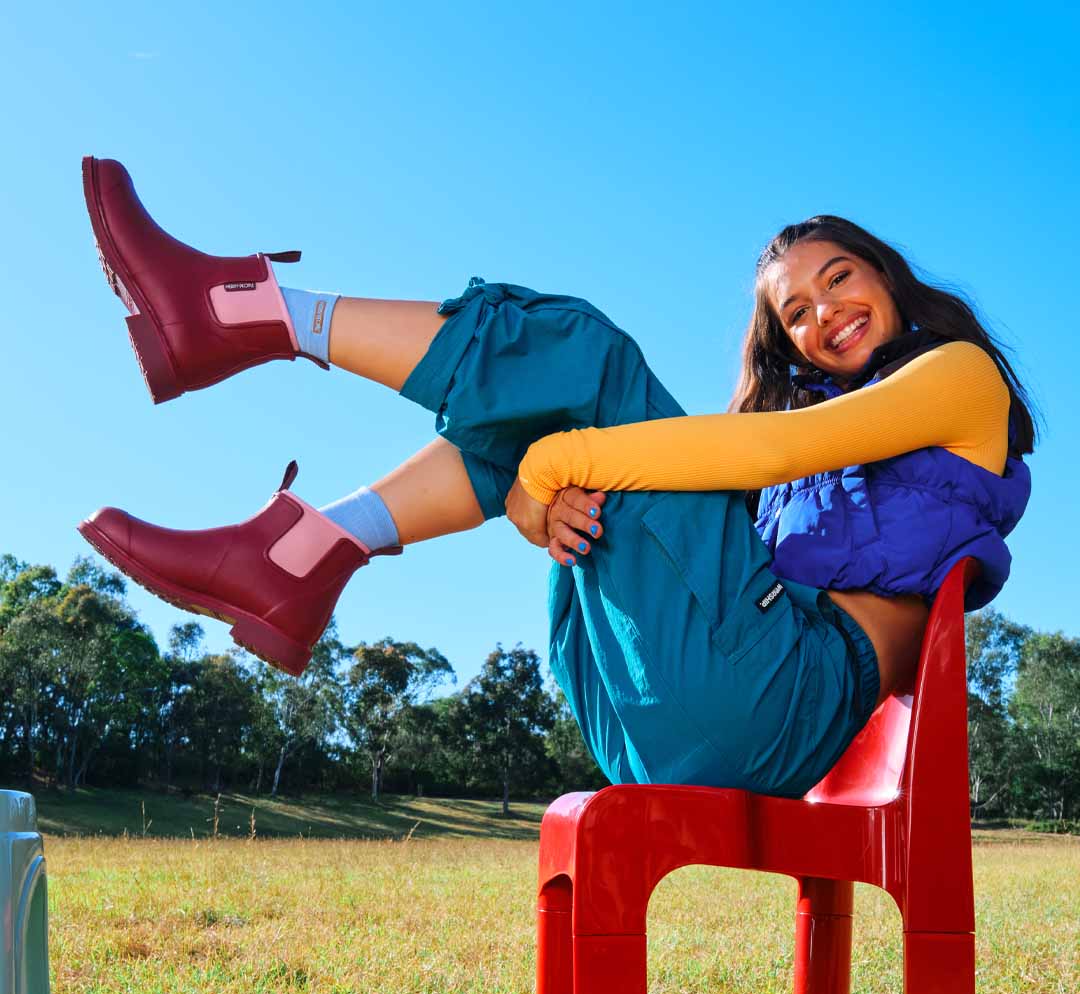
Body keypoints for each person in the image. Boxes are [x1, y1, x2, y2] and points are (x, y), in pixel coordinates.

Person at [77, 157, 1035, 799]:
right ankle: (311, 548)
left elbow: (769, 454)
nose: (822, 314)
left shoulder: (954, 376)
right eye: (793, 314)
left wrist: (556, 466)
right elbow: (736, 464)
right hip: (657, 710)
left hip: (777, 703)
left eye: (837, 279)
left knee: (581, 361)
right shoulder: (802, 442)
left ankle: (249, 321)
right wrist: (542, 500)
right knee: (558, 395)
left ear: (887, 275)